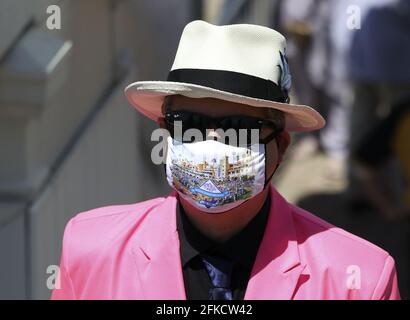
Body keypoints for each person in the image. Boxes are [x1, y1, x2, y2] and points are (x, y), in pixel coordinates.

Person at [51, 20, 400, 300]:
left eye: (238, 127)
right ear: (165, 130)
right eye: (190, 124)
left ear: (281, 145)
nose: (211, 143)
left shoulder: (359, 279)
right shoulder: (90, 248)